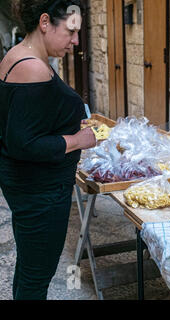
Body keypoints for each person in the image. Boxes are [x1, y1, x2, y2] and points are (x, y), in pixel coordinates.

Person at [0, 0, 96, 300]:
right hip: (40, 192)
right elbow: (23, 143)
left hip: (28, 187)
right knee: (36, 277)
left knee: (30, 269)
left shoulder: (18, 57)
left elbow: (23, 125)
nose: (75, 41)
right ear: (45, 22)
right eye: (71, 31)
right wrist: (78, 140)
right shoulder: (32, 69)